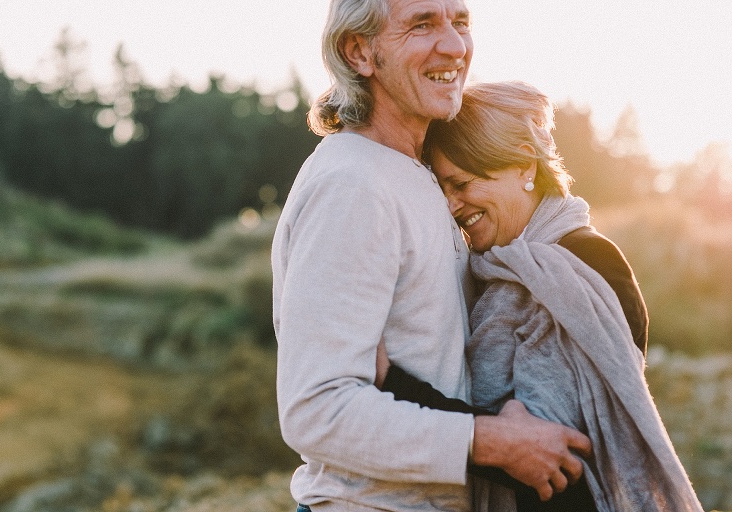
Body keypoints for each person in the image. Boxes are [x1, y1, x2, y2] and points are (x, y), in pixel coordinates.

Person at [272, 1, 594, 510]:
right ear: (359, 52)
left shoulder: (415, 172)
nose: (455, 46)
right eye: (422, 24)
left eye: (460, 22)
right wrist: (492, 442)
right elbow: (317, 409)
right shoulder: (352, 185)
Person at [376, 81, 703, 511]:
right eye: (443, 189)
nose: (451, 206)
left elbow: (548, 446)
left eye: (462, 184)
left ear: (524, 165)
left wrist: (391, 384)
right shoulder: (493, 270)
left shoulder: (585, 263)